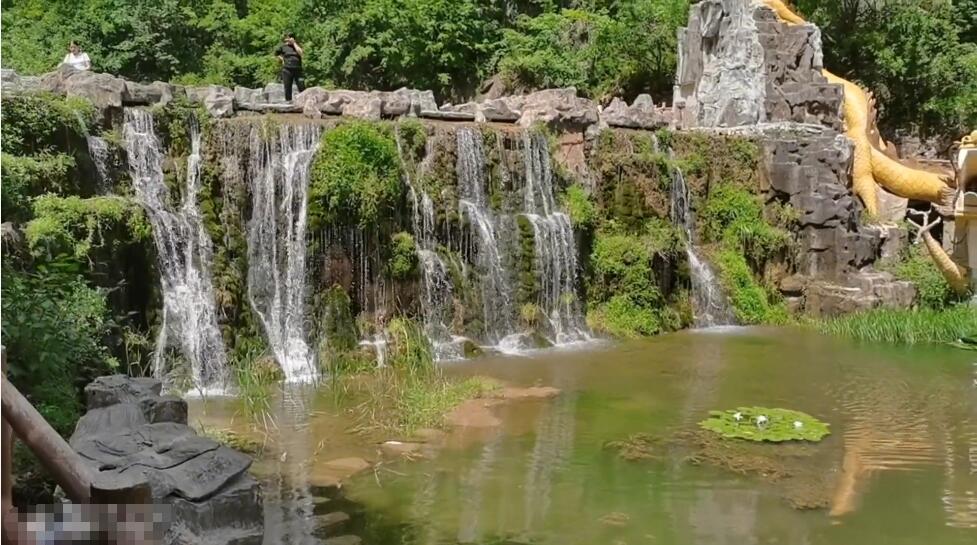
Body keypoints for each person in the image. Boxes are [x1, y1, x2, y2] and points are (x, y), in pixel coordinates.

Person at [275, 32, 305, 101]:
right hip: (287, 70)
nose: (288, 39)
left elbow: (301, 53)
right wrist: (281, 59)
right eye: (288, 38)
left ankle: (304, 101)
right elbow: (276, 54)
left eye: (290, 38)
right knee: (287, 88)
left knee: (302, 86)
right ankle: (288, 102)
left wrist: (294, 43)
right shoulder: (283, 47)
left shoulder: (298, 45)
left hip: (298, 70)